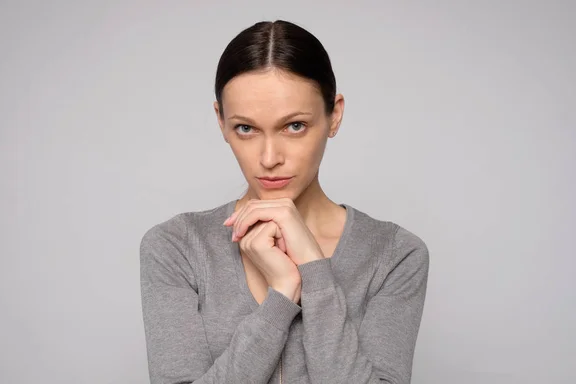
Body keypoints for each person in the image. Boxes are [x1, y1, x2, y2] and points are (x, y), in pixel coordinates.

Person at [140, 20, 429, 384]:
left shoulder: (396, 255)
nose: (269, 157)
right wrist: (281, 296)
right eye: (246, 128)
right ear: (221, 121)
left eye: (294, 126)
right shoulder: (176, 247)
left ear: (334, 115)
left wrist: (314, 271)